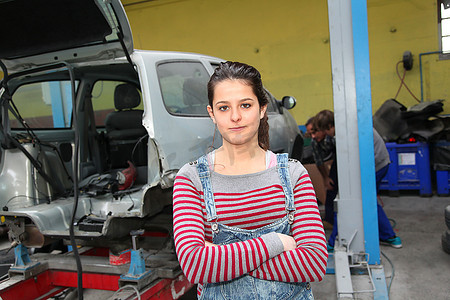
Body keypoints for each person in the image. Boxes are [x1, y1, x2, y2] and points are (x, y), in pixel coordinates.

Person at [173, 61, 327, 299]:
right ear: (211, 113)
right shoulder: (191, 179)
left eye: (245, 105)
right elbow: (195, 266)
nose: (235, 117)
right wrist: (276, 242)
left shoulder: (293, 174)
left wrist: (222, 262)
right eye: (224, 108)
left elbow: (314, 262)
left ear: (262, 108)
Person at [313, 110, 402, 250]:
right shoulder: (345, 127)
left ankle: (389, 236)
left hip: (376, 166)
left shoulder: (346, 134)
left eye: (325, 130)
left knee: (357, 201)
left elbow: (349, 160)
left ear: (330, 126)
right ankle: (386, 235)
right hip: (378, 163)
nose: (326, 134)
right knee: (365, 200)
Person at [305, 117, 335, 226]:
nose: (313, 137)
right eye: (310, 134)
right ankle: (329, 220)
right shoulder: (315, 142)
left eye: (314, 132)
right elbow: (319, 162)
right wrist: (326, 178)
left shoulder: (333, 138)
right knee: (331, 191)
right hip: (332, 165)